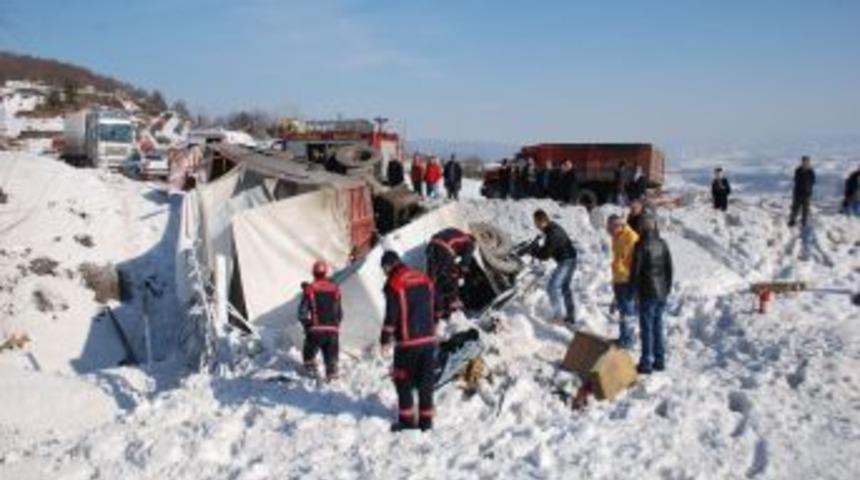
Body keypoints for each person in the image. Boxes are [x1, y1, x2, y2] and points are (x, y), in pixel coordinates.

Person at [380, 251, 438, 432]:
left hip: (408, 343)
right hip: (429, 340)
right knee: (425, 382)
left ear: (388, 266)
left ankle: (407, 421)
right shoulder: (424, 278)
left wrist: (385, 338)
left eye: (384, 269)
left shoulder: (394, 283)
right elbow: (437, 303)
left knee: (402, 380)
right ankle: (426, 423)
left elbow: (391, 314)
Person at [630, 215, 673, 374]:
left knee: (646, 328)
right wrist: (666, 288)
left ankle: (646, 363)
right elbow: (669, 268)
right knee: (658, 326)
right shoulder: (663, 243)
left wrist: (633, 292)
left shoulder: (640, 245)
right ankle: (660, 361)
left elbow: (635, 272)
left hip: (647, 292)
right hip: (661, 292)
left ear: (641, 228)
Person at [530, 209, 578, 325]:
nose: (535, 226)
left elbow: (545, 255)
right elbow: (547, 248)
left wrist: (534, 250)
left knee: (552, 287)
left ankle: (558, 317)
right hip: (570, 259)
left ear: (541, 221)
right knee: (565, 288)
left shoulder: (553, 233)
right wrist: (537, 246)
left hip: (566, 261)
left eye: (536, 223)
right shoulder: (551, 229)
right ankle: (570, 317)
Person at [298, 261, 342, 381]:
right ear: (325, 272)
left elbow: (302, 313)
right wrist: (336, 326)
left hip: (316, 331)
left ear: (313, 273)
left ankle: (310, 372)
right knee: (332, 361)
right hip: (333, 331)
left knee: (308, 354)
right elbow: (339, 313)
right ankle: (332, 377)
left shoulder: (310, 289)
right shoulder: (335, 289)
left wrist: (307, 327)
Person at [426, 228, 475, 319]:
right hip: (444, 249)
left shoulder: (455, 232)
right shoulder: (470, 242)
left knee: (433, 281)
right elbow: (465, 264)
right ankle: (453, 305)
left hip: (431, 247)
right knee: (451, 277)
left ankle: (435, 309)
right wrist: (461, 274)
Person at [606, 215, 639, 348]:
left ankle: (629, 340)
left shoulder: (631, 238)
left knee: (628, 312)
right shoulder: (616, 236)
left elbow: (636, 263)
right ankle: (623, 338)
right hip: (619, 279)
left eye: (610, 228)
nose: (608, 231)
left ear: (618, 225)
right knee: (623, 311)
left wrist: (634, 283)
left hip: (628, 280)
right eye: (608, 227)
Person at [789, 156, 816, 228]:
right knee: (795, 208)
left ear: (808, 162)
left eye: (806, 161)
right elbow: (795, 179)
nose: (805, 163)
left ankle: (804, 222)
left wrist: (808, 188)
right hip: (798, 192)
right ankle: (792, 221)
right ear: (802, 162)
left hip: (807, 194)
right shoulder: (798, 170)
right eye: (804, 161)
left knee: (805, 209)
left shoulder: (811, 172)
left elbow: (813, 181)